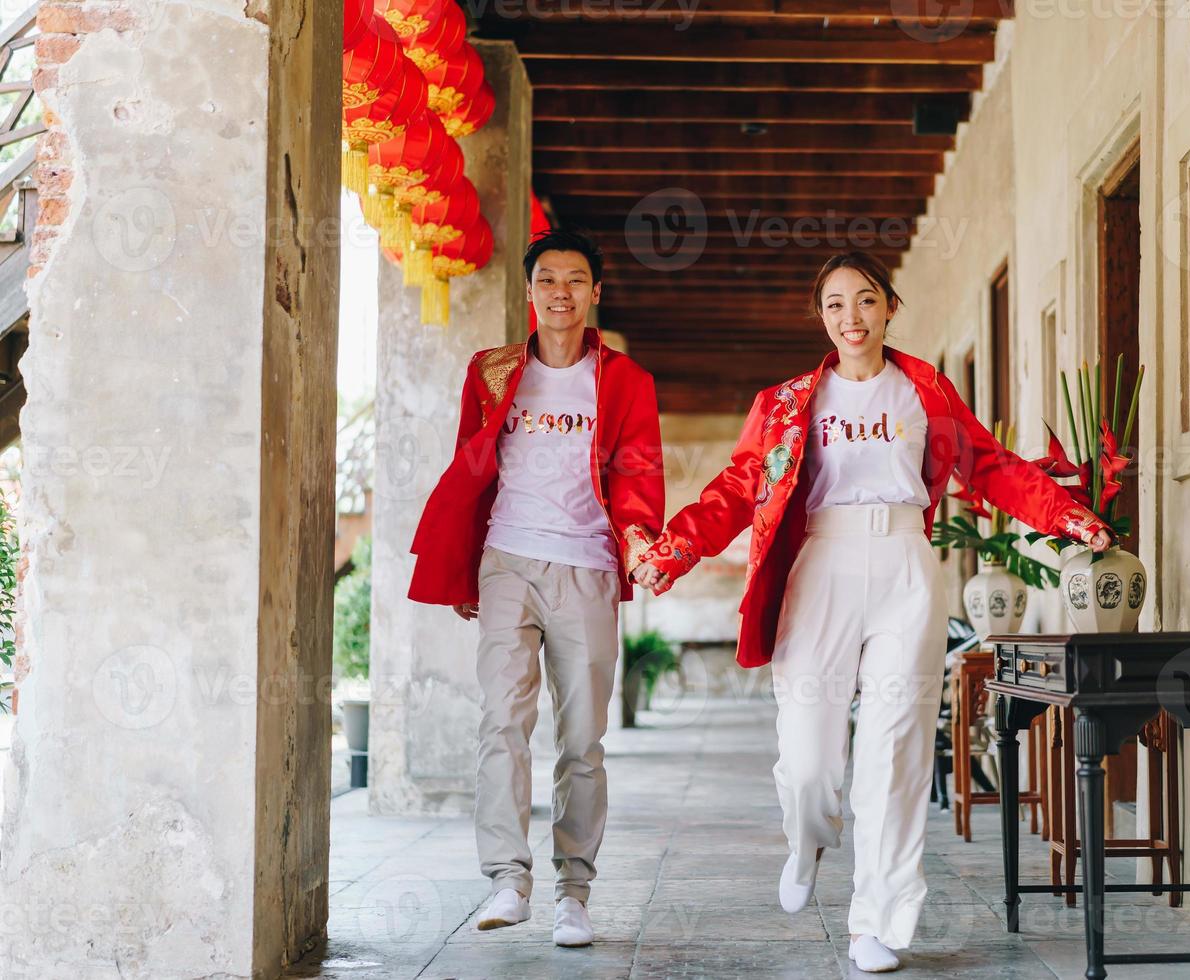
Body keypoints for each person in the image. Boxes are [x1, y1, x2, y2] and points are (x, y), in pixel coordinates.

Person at [631, 252, 1111, 973]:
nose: (850, 316)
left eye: (864, 300)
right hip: (820, 566)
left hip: (903, 567)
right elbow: (736, 491)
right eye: (834, 304)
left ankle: (876, 922)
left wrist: (1070, 517)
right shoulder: (788, 403)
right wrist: (670, 551)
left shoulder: (926, 392)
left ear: (890, 306)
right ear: (821, 317)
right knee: (807, 757)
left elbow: (988, 466)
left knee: (895, 748)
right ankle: (808, 837)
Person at [407, 229, 664, 948]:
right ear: (529, 293)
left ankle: (573, 891)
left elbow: (640, 478)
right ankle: (506, 878)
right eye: (547, 279)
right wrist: (463, 567)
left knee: (582, 739)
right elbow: (470, 471)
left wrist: (640, 546)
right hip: (508, 562)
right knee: (502, 721)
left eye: (575, 280)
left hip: (586, 566)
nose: (560, 291)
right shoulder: (490, 371)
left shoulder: (626, 381)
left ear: (596, 294)